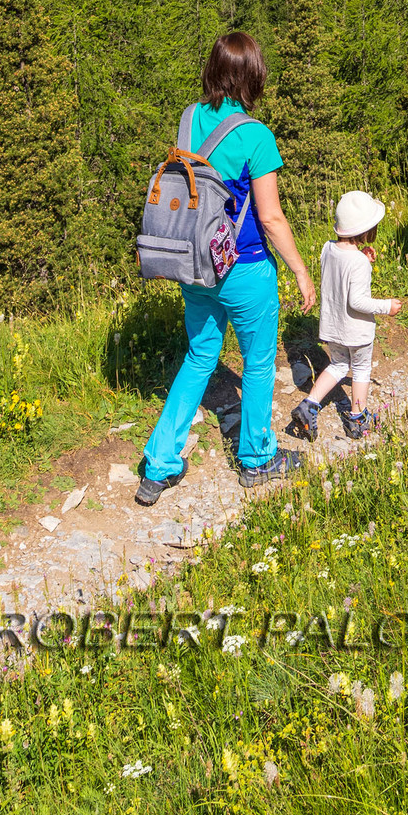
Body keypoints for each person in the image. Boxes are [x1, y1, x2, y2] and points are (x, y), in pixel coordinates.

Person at [136, 30, 317, 502]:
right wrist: (299, 269)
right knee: (257, 363)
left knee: (200, 357)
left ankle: (159, 464)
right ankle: (257, 459)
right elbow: (271, 218)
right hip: (245, 268)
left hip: (195, 265)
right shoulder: (256, 136)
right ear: (252, 76)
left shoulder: (189, 117)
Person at [288, 189, 401, 442]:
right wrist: (386, 306)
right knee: (360, 369)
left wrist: (361, 257)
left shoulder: (327, 249)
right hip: (356, 331)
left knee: (338, 365)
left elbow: (341, 273)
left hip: (333, 327)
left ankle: (309, 405)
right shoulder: (358, 263)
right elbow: (357, 300)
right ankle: (357, 418)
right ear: (366, 230)